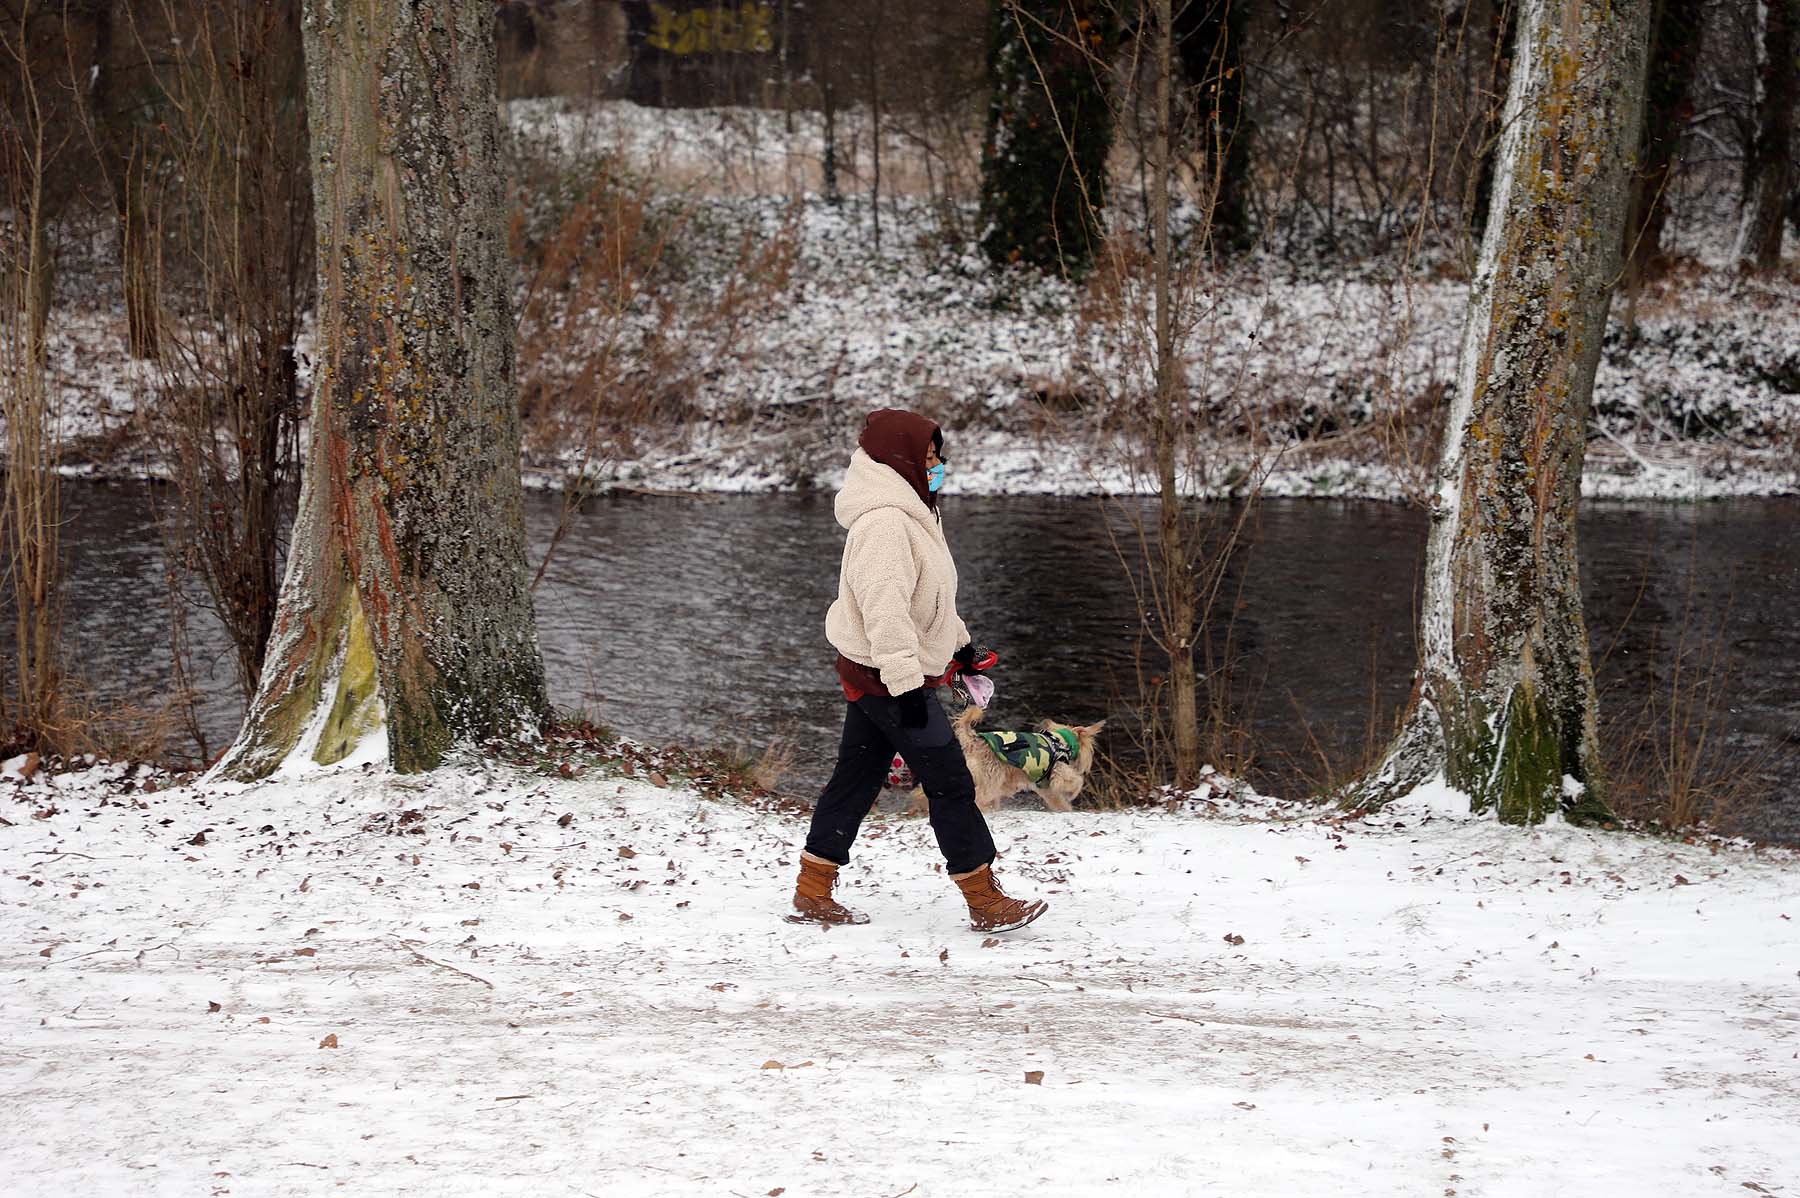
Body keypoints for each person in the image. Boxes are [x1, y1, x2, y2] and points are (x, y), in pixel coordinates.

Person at [790, 408, 1048, 933]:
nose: (938, 465)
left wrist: (962, 645)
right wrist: (909, 690)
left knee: (857, 777)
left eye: (938, 456)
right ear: (899, 457)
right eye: (929, 457)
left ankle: (812, 887)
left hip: (880, 672)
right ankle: (984, 900)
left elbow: (928, 599)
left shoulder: (914, 510)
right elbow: (885, 612)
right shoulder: (886, 523)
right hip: (888, 676)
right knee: (950, 782)